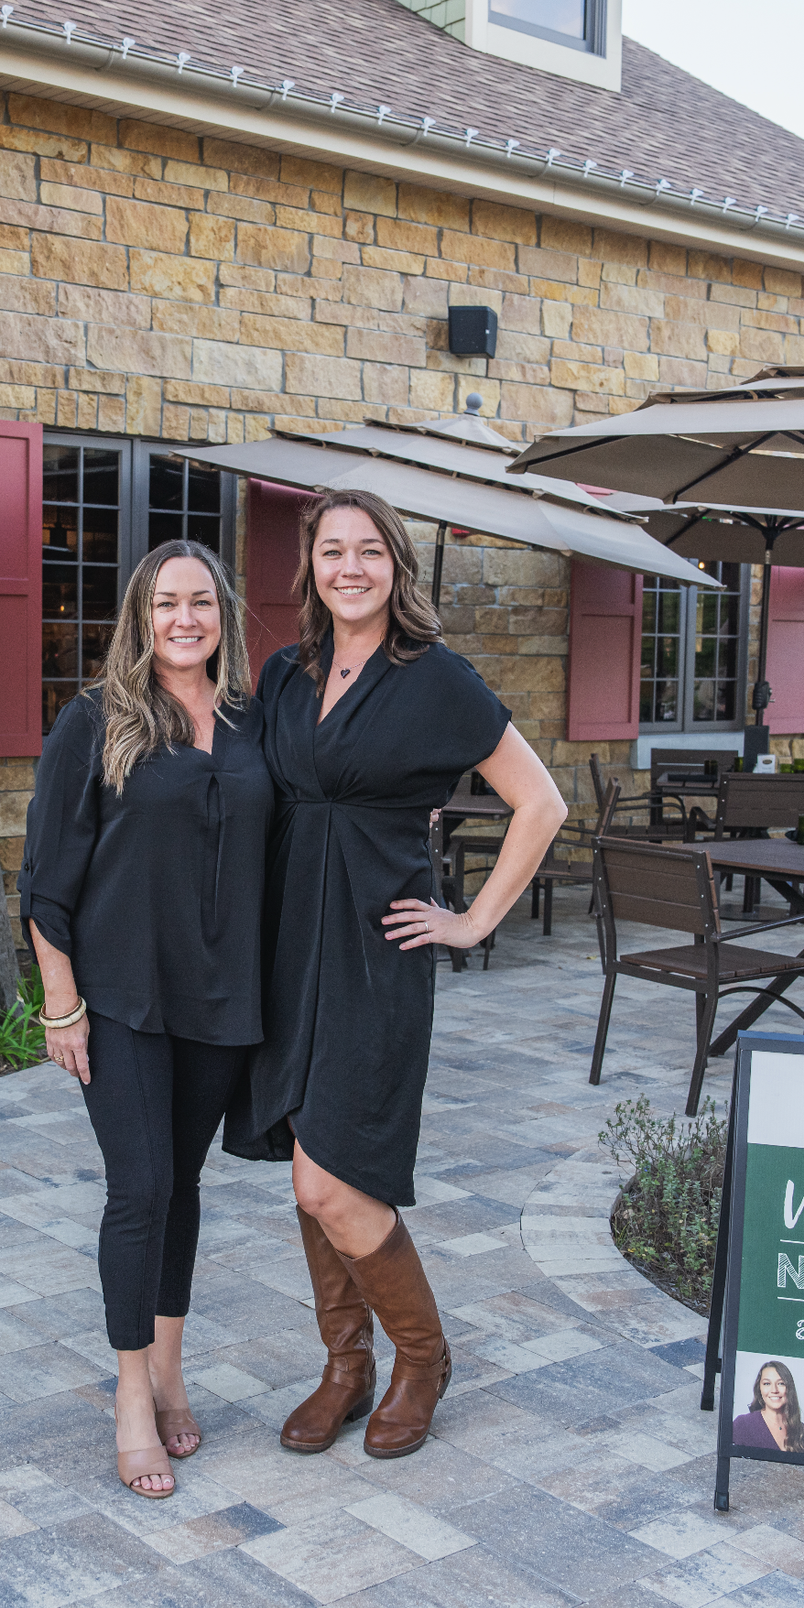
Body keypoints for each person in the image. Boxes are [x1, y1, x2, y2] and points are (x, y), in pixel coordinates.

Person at [234, 488, 567, 1460]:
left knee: (336, 1177)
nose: (349, 567)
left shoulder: (436, 680)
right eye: (332, 551)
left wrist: (471, 922)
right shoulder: (285, 677)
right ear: (310, 569)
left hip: (376, 953)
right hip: (286, 948)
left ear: (396, 568)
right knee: (308, 1172)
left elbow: (538, 803)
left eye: (368, 551)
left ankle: (420, 1359)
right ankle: (345, 1367)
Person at [19, 539, 271, 1501]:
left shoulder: (252, 722)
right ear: (141, 614)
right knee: (141, 1186)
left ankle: (171, 1365)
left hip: (221, 1000)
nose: (184, 620)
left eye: (201, 603)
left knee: (183, 1186)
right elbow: (45, 880)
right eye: (167, 603)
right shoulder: (95, 722)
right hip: (121, 999)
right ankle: (132, 1393)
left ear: (223, 616)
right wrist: (61, 1004)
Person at [731, 1360, 804, 1456]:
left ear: (789, 1388)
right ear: (759, 1389)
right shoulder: (742, 1424)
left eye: (781, 1383)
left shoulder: (803, 1432)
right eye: (767, 1383)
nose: (774, 1390)